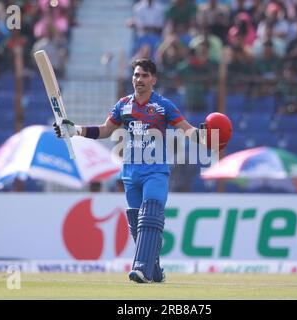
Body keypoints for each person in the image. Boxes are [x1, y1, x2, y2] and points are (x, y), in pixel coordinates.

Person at [53, 59, 231, 283]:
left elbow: (187, 130)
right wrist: (75, 129)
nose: (139, 79)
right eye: (136, 75)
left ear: (153, 80)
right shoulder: (123, 105)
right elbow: (106, 130)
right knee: (136, 224)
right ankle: (155, 271)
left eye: (144, 75)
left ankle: (141, 270)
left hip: (155, 171)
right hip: (130, 172)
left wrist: (206, 137)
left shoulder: (163, 106)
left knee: (150, 217)